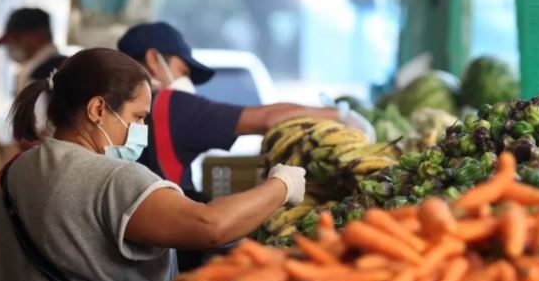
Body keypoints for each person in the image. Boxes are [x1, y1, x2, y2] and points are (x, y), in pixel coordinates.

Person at [0, 48, 305, 281]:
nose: (142, 131)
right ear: (97, 110)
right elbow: (211, 226)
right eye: (138, 117)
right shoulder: (115, 179)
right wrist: (282, 185)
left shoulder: (17, 169)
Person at [117, 22, 374, 193]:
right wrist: (340, 115)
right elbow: (266, 118)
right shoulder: (170, 106)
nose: (185, 82)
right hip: (165, 247)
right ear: (153, 60)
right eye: (182, 70)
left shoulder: (109, 106)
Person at [0, 8, 67, 94]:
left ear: (38, 36)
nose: (12, 47)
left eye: (16, 40)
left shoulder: (44, 75)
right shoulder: (63, 65)